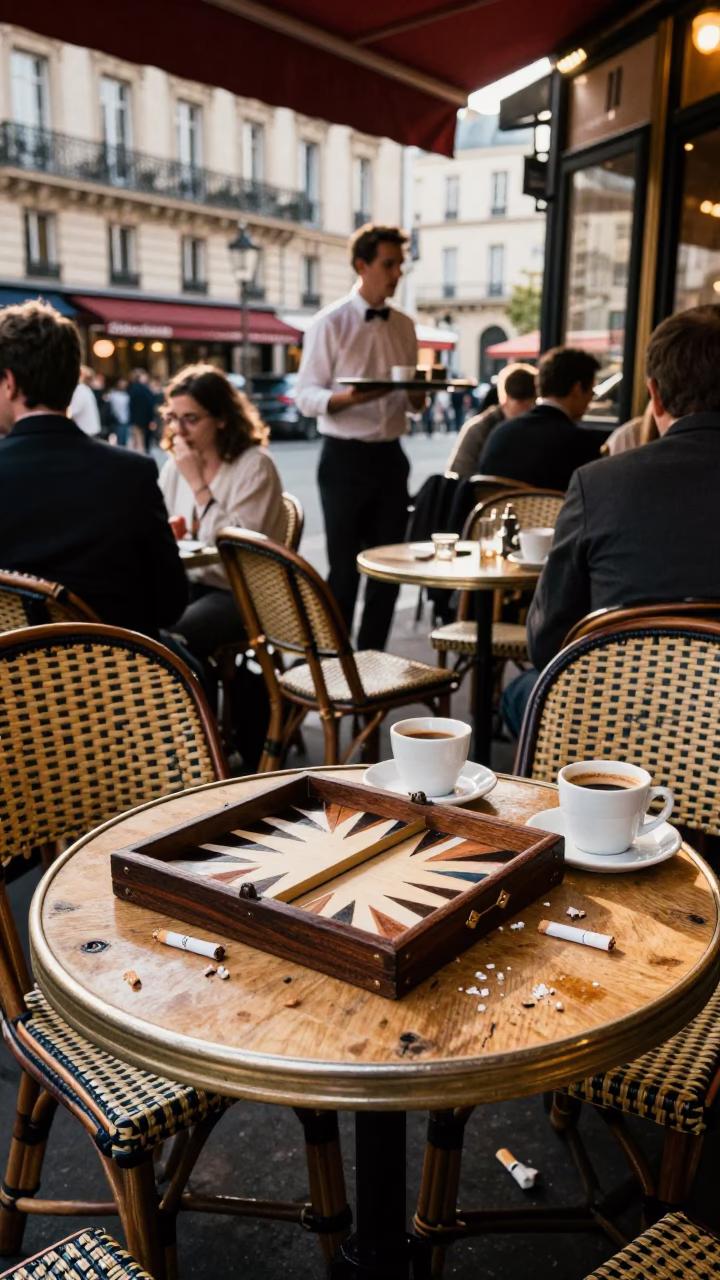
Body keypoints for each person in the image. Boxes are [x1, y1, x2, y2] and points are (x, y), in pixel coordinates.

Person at [502, 305, 720, 735]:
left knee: (521, 693)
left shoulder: (598, 482)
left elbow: (547, 642)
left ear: (654, 395)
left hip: (620, 720)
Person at [0, 300, 187, 637]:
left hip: (13, 682)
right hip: (123, 680)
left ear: (10, 383)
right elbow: (170, 605)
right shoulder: (133, 473)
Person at [295, 222, 422, 650]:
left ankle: (372, 662)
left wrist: (419, 397)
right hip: (343, 460)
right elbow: (305, 395)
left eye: (400, 265)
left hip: (390, 458)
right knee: (344, 573)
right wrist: (351, 399)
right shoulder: (328, 323)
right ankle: (335, 662)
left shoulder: (405, 326)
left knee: (388, 571)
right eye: (389, 264)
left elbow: (411, 403)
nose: (396, 274)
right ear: (361, 265)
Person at [158, 363, 285, 663]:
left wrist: (199, 486)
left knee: (169, 641)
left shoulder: (254, 466)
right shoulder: (174, 467)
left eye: (190, 419)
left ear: (222, 419)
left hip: (242, 593)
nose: (179, 430)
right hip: (187, 583)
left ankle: (200, 710)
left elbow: (241, 550)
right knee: (131, 626)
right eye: (173, 418)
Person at [479, 347, 602, 491]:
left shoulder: (500, 433)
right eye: (592, 391)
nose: (592, 399)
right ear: (577, 389)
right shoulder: (581, 444)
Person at [446, 363, 537, 479]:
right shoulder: (479, 430)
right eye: (522, 404)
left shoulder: (539, 429)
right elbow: (459, 475)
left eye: (532, 404)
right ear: (505, 399)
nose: (528, 410)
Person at [128, 368, 157, 452]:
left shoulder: (133, 389)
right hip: (145, 418)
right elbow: (150, 404)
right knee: (142, 442)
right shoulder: (145, 389)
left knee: (138, 441)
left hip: (136, 418)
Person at [68, 364, 101, 436]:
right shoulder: (85, 389)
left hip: (86, 433)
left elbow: (72, 411)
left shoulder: (80, 390)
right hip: (90, 433)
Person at [107, 377, 131, 446]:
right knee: (117, 440)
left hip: (126, 420)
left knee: (124, 440)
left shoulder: (127, 395)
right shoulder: (113, 395)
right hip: (116, 420)